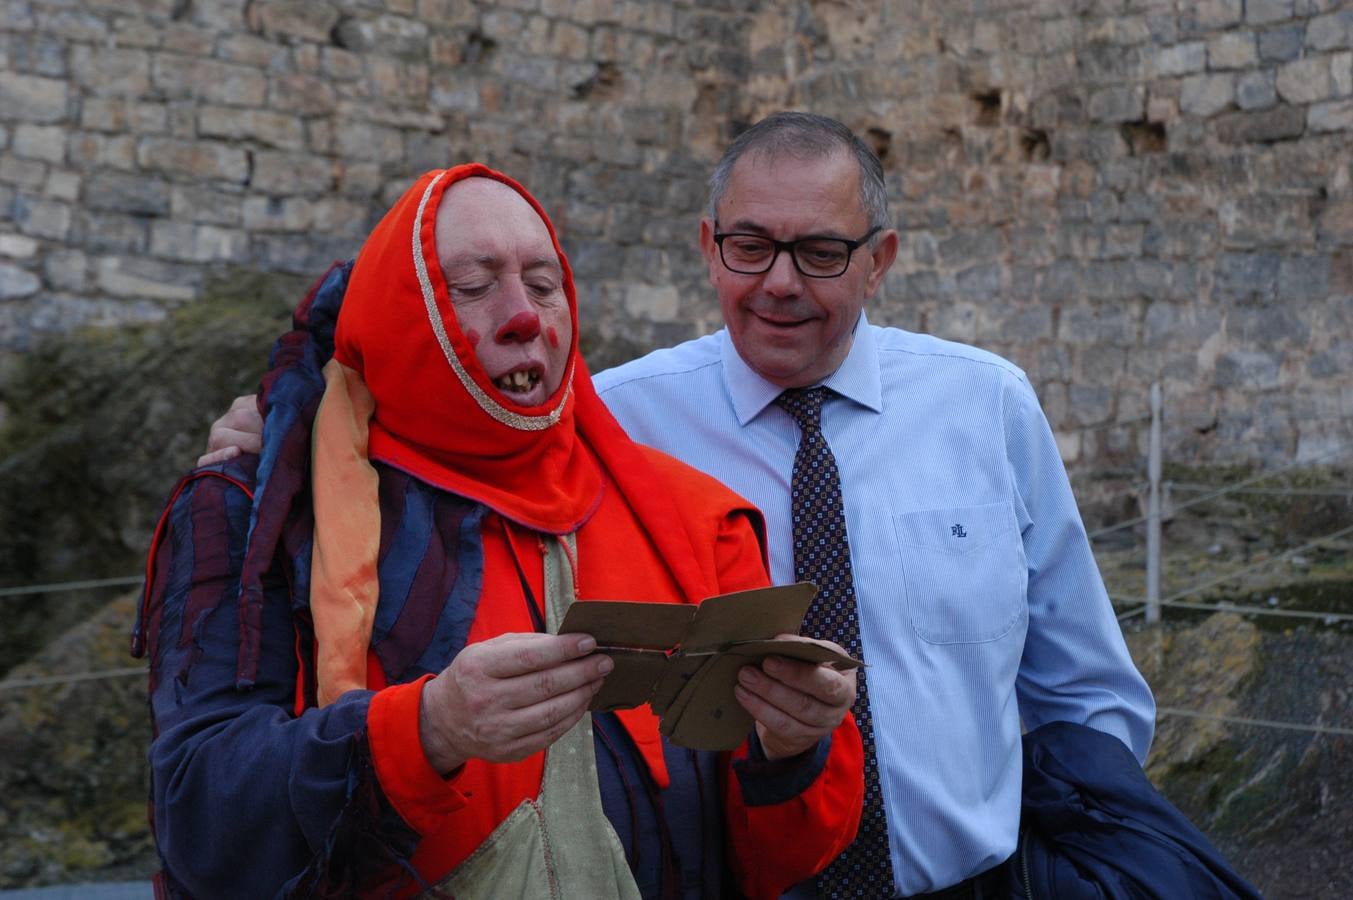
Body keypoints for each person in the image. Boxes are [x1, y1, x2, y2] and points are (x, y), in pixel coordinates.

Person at [202, 113, 1156, 898]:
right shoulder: (607, 422)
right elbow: (434, 417)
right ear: (708, 249)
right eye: (750, 247)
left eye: (821, 252)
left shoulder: (985, 405)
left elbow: (1084, 691)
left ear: (880, 259)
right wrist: (289, 432)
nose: (779, 282)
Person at [137, 163, 864, 899]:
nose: (524, 316)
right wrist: (429, 729)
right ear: (401, 311)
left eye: (543, 285)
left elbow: (771, 864)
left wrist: (792, 747)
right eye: (474, 287)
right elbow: (202, 822)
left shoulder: (695, 518)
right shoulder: (263, 508)